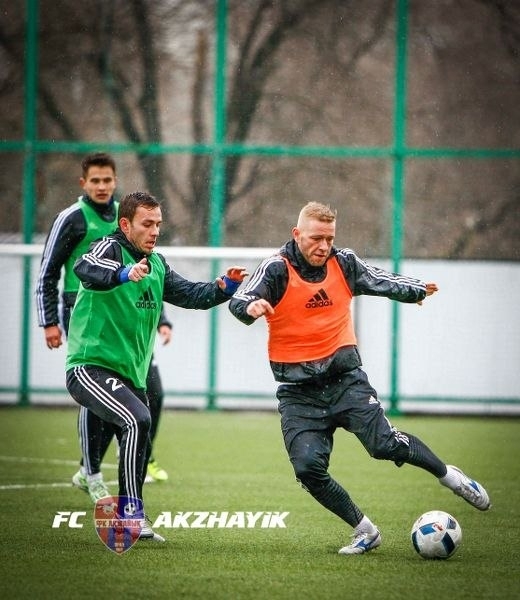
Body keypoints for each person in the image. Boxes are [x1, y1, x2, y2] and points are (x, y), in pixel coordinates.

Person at [228, 201, 490, 556]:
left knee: (385, 446)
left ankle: (451, 477)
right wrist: (250, 307)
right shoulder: (276, 268)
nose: (324, 246)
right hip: (298, 393)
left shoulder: (344, 262)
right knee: (307, 469)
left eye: (329, 238)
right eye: (316, 238)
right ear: (297, 234)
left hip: (346, 382)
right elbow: (241, 298)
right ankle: (365, 530)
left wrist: (415, 290)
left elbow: (380, 279)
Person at [65, 190, 247, 541]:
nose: (155, 231)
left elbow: (192, 295)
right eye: (147, 224)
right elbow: (84, 267)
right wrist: (124, 273)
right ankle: (128, 514)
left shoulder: (157, 264)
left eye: (158, 224)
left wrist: (224, 288)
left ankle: (122, 507)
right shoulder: (108, 248)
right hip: (90, 367)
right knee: (138, 419)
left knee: (139, 430)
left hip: (130, 375)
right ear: (125, 224)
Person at [35, 152, 171, 504]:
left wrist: (163, 318)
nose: (101, 186)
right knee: (97, 389)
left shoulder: (129, 218)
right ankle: (91, 470)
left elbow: (153, 278)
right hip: (86, 312)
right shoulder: (73, 219)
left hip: (128, 315)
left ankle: (137, 452)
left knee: (149, 392)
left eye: (107, 180)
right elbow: (51, 270)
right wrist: (49, 321)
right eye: (94, 180)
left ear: (115, 181)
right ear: (83, 183)